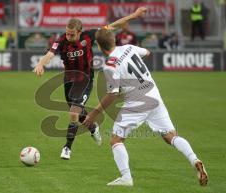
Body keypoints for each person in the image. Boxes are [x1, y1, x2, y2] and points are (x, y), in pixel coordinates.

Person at [83, 28, 208, 186]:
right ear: (114, 40)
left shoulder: (109, 66)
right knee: (170, 136)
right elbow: (147, 53)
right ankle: (194, 159)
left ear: (99, 47)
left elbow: (112, 95)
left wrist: (93, 115)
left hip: (137, 102)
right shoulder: (129, 47)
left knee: (116, 139)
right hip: (154, 95)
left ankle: (126, 178)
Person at [33, 7, 147, 160]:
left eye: (72, 34)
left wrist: (134, 15)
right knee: (79, 115)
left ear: (80, 32)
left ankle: (67, 147)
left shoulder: (89, 35)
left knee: (73, 112)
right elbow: (50, 54)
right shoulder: (61, 40)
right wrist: (41, 64)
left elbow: (113, 25)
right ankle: (93, 127)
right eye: (67, 33)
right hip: (69, 81)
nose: (68, 36)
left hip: (85, 79)